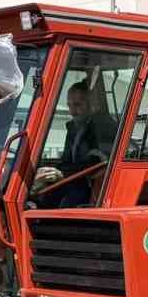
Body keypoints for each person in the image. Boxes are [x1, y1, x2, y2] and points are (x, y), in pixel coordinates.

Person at [30, 80, 118, 208]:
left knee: (65, 202)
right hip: (73, 180)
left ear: (91, 104)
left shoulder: (103, 127)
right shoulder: (73, 127)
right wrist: (48, 170)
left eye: (77, 105)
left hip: (94, 186)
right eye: (69, 105)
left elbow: (99, 163)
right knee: (39, 196)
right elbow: (67, 160)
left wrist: (62, 175)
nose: (72, 111)